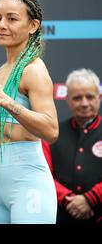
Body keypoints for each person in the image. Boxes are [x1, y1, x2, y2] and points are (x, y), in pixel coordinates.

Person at [0, 0, 59, 224]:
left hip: (28, 183)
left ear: (33, 25)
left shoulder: (33, 70)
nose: (1, 25)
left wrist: (7, 102)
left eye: (11, 18)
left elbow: (51, 130)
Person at [42, 68, 101, 223]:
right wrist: (70, 200)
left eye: (90, 97)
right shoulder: (52, 133)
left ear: (99, 98)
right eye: (77, 98)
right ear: (67, 99)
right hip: (62, 216)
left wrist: (90, 199)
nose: (84, 103)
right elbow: (43, 175)